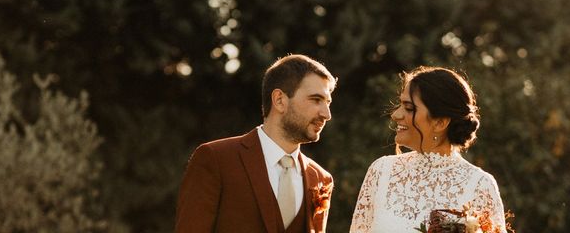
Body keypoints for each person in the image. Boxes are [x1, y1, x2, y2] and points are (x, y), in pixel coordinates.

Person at [175, 54, 337, 233]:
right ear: (279, 100)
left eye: (328, 102)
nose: (326, 114)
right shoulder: (216, 159)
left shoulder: (321, 178)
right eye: (316, 100)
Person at [350, 66, 507, 233]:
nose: (395, 115)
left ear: (440, 122)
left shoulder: (479, 185)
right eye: (400, 105)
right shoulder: (381, 171)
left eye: (409, 108)